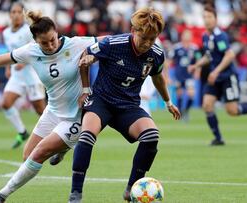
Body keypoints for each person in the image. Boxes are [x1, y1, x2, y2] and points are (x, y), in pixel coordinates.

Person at [0, 11, 98, 203]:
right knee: (27, 156)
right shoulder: (31, 51)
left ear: (57, 33)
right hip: (53, 111)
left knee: (39, 153)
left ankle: (1, 196)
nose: (50, 45)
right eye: (44, 43)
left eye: (52, 40)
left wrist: (141, 39)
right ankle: (62, 148)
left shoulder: (77, 44)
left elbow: (110, 41)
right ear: (35, 41)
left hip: (76, 116)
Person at [68, 7, 181, 203]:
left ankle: (132, 189)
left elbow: (158, 78)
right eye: (143, 37)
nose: (147, 43)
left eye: (152, 39)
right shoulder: (113, 43)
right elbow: (87, 55)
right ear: (133, 30)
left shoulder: (156, 54)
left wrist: (168, 102)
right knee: (86, 136)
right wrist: (86, 88)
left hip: (128, 106)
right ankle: (75, 193)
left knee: (151, 136)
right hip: (101, 101)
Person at [188, 5, 247, 146]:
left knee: (232, 111)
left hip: (227, 76)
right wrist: (196, 65)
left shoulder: (220, 36)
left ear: (215, 19)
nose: (207, 20)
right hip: (215, 78)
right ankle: (218, 138)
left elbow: (229, 55)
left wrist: (215, 71)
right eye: (204, 17)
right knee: (207, 105)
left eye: (209, 17)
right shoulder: (205, 36)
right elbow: (209, 56)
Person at [1, 3, 46, 148]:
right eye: (13, 12)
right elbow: (9, 52)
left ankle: (58, 136)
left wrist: (25, 62)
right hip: (17, 76)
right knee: (6, 103)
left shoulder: (29, 30)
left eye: (19, 12)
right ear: (9, 15)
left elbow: (38, 47)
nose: (16, 15)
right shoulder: (6, 33)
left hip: (32, 74)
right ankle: (22, 131)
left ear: (23, 14)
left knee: (42, 111)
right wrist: (8, 67)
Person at [168, 29, 201, 121]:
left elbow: (199, 61)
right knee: (179, 95)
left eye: (188, 35)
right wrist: (168, 76)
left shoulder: (194, 48)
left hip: (189, 75)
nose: (187, 37)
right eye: (185, 35)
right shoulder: (176, 48)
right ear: (182, 36)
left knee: (191, 94)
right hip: (179, 75)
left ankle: (186, 110)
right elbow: (169, 61)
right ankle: (180, 113)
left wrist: (197, 72)